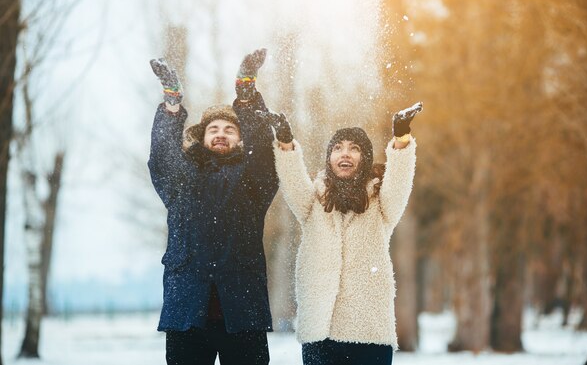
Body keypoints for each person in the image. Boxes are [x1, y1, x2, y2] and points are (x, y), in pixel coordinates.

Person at [257, 102, 422, 365]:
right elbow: (292, 180)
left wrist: (401, 137)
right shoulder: (313, 201)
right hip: (320, 331)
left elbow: (400, 180)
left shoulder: (381, 202)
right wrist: (286, 142)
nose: (345, 154)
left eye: (354, 149)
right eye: (338, 148)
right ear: (329, 158)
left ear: (364, 158)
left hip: (369, 332)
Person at [148, 49, 278, 365]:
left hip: (242, 312)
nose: (221, 134)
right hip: (187, 311)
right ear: (202, 137)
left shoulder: (252, 181)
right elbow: (162, 158)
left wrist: (247, 99)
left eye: (229, 130)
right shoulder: (180, 179)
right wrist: (171, 104)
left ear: (240, 139)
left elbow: (262, 152)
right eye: (213, 129)